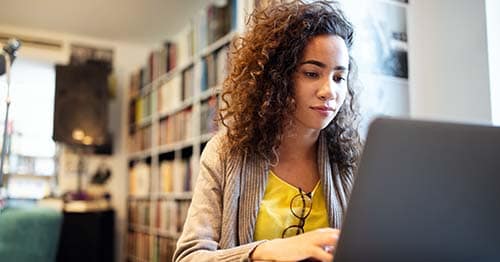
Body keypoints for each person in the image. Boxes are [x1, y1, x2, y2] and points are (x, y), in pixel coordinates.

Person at [174, 1, 362, 261]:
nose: (329, 91)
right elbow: (188, 256)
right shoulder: (225, 152)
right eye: (311, 73)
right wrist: (265, 252)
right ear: (277, 77)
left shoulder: (353, 159)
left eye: (339, 78)